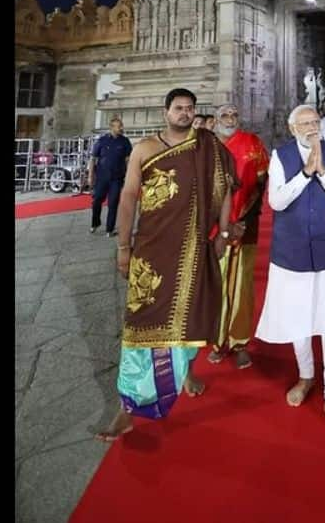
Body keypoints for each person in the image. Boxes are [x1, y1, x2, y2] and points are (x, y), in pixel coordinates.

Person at [95, 88, 239, 442]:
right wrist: (124, 246)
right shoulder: (144, 149)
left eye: (190, 109)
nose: (185, 114)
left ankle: (183, 373)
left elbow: (226, 187)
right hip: (152, 251)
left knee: (191, 318)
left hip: (194, 251)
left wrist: (223, 231)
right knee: (140, 326)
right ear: (165, 112)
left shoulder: (208, 147)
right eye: (178, 109)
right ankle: (126, 409)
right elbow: (128, 196)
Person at [255, 105, 325, 425]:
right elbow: (277, 201)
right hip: (292, 250)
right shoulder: (280, 156)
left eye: (315, 122)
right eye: (305, 123)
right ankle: (306, 375)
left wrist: (323, 170)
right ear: (292, 127)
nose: (311, 127)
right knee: (298, 318)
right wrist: (305, 173)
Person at [208, 105, 270, 369]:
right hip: (212, 229)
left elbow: (261, 181)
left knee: (243, 285)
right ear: (216, 120)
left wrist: (243, 219)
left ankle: (240, 342)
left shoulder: (252, 143)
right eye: (225, 115)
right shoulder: (205, 148)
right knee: (215, 284)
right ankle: (216, 340)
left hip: (245, 224)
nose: (230, 119)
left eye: (234, 115)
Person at [88, 117, 132, 237]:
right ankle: (95, 223)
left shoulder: (125, 142)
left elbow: (128, 160)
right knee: (97, 201)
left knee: (113, 203)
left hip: (116, 178)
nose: (121, 128)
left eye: (121, 125)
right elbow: (93, 159)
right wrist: (90, 176)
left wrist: (129, 176)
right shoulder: (101, 141)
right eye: (119, 126)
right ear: (112, 127)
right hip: (102, 177)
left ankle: (109, 229)